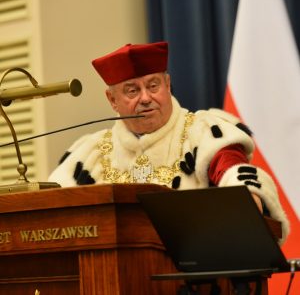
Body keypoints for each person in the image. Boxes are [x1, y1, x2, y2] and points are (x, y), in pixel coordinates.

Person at [48, 41, 289, 243]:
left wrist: (247, 198)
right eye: (132, 91)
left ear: (167, 84)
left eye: (153, 86)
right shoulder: (91, 152)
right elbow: (50, 211)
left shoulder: (204, 132)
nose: (145, 98)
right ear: (112, 100)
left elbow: (233, 171)